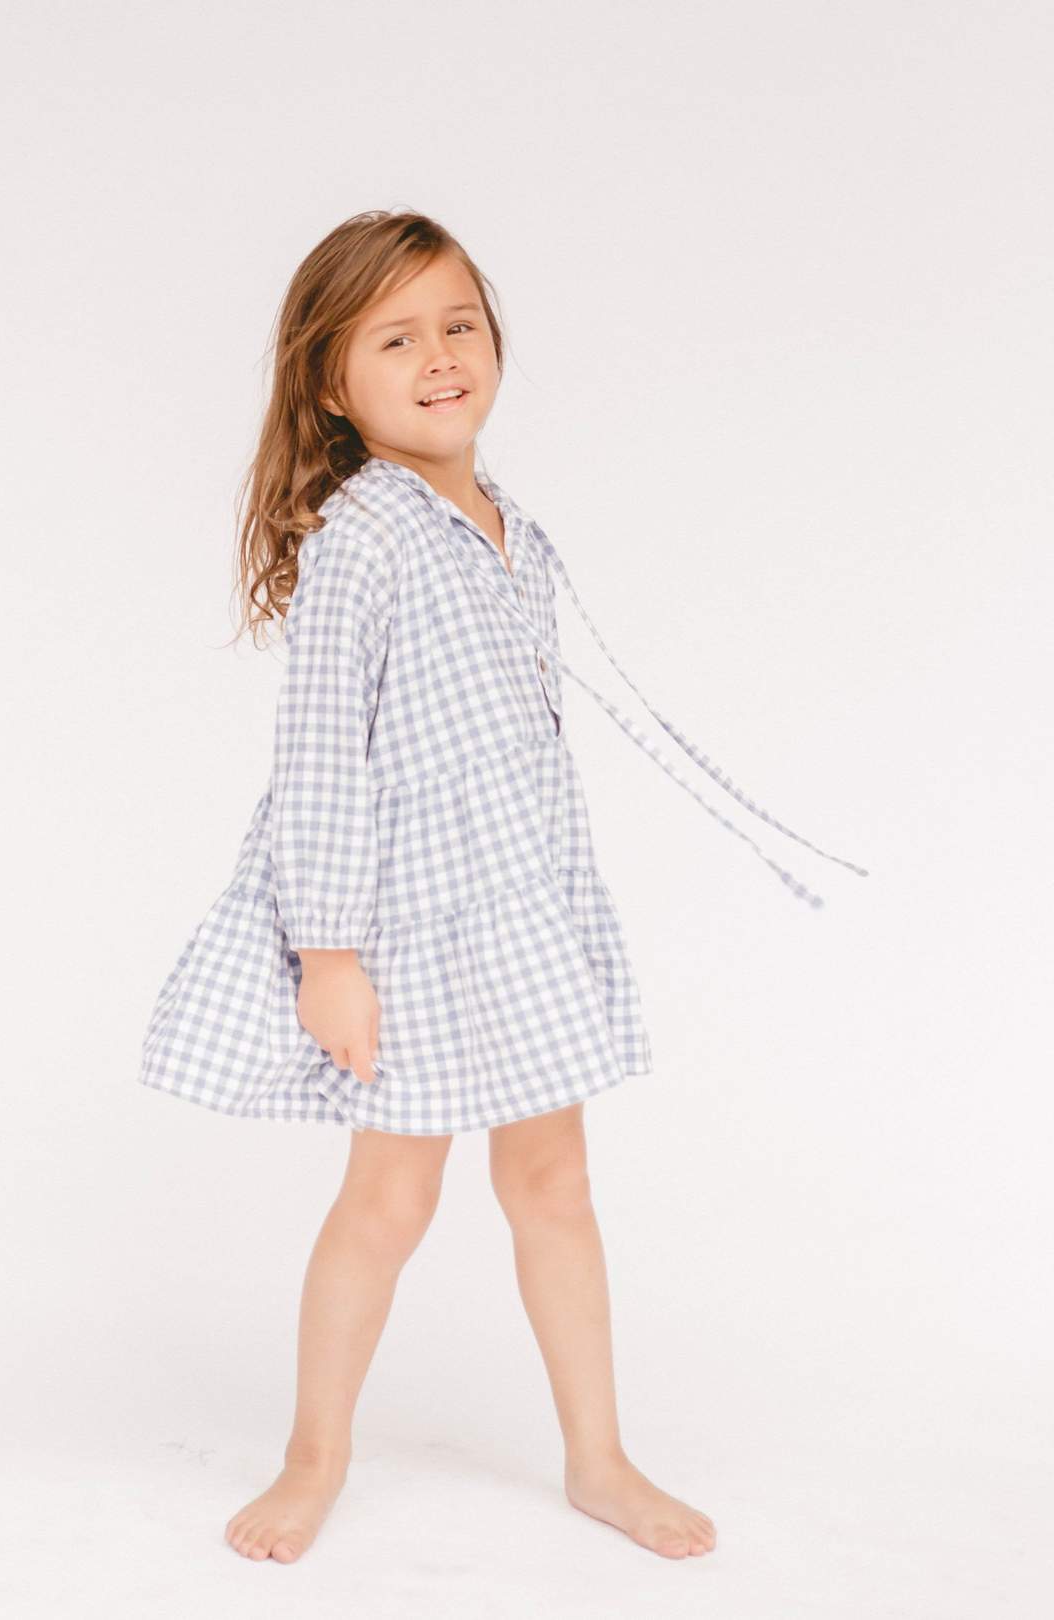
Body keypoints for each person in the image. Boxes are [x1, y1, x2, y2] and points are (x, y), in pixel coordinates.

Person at [137, 210, 868, 1565]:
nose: (439, 357)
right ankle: (312, 1457)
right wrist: (330, 955)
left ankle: (598, 1457)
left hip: (517, 912)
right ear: (330, 384)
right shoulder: (364, 537)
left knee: (555, 1182)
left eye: (459, 325)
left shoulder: (512, 528)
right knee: (390, 1200)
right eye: (395, 339)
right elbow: (320, 761)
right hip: (403, 925)